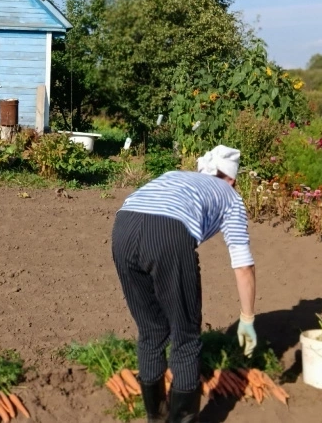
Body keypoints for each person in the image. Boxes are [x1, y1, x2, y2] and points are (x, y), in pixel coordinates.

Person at [110, 145, 258, 423]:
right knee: (186, 338)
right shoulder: (230, 195)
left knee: (152, 331)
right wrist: (247, 318)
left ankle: (156, 417)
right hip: (168, 231)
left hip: (123, 228)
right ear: (233, 179)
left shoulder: (174, 176)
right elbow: (243, 264)